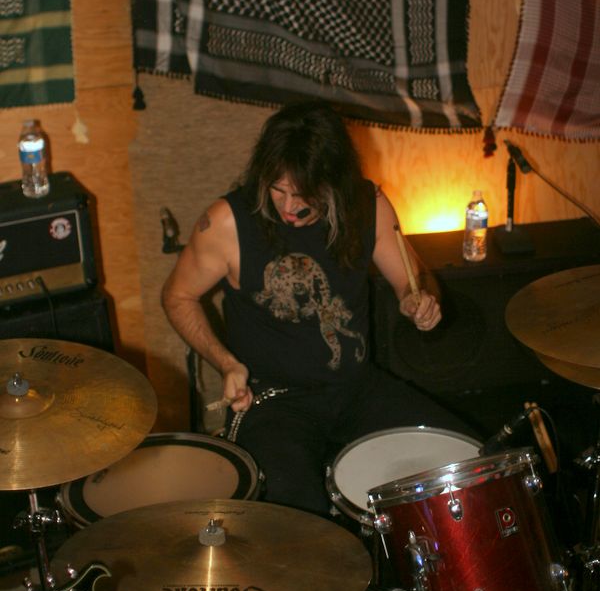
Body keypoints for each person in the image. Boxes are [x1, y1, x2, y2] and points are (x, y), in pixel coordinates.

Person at [162, 102, 471, 516]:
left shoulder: (367, 204)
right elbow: (178, 296)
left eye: (304, 193)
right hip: (274, 402)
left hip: (357, 389)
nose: (289, 207)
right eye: (278, 189)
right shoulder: (227, 223)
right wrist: (225, 363)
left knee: (464, 466)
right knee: (300, 524)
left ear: (334, 182)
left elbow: (413, 279)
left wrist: (418, 299)